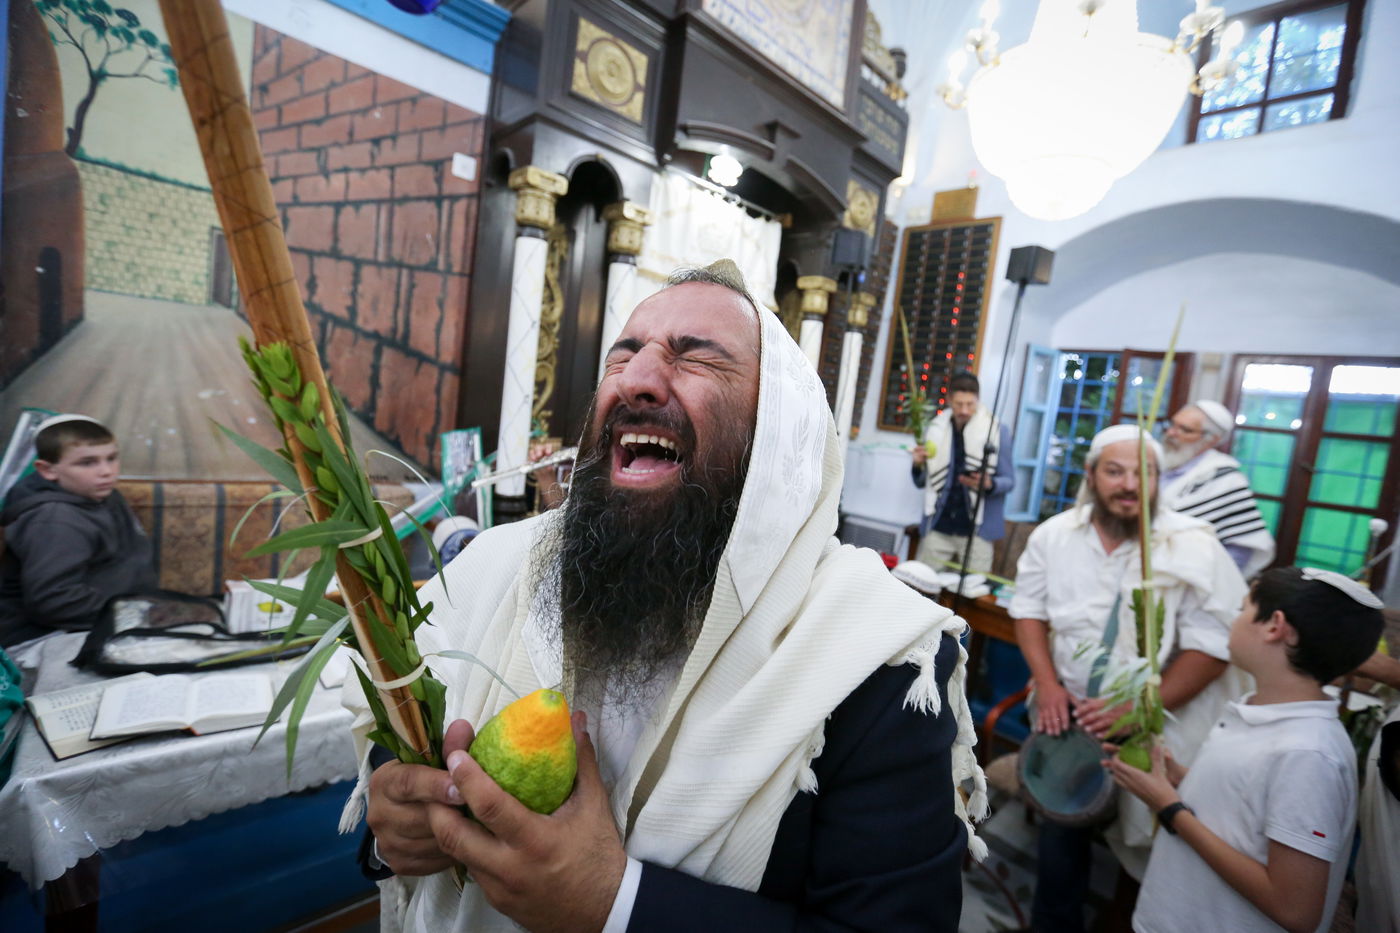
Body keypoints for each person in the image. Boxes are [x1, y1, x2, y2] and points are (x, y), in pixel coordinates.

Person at [352, 263, 985, 932]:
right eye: (623, 354)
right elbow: (400, 761)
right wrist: (392, 823)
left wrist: (615, 903)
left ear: (775, 435)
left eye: (696, 357)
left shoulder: (877, 656)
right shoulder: (490, 571)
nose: (636, 379)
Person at [1009, 424, 1249, 933]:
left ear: (1160, 480)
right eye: (1114, 471)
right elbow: (1028, 609)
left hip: (1154, 718)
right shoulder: (1055, 535)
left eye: (1144, 473)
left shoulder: (1190, 546)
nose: (1129, 485)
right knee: (1063, 827)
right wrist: (1048, 685)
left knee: (1153, 841)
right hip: (1067, 714)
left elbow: (1214, 645)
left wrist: (1143, 705)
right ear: (1091, 475)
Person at [1107, 567, 1383, 933]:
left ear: (1274, 626)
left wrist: (1170, 809)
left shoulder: (1309, 753)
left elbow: (1296, 910)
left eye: (1243, 610)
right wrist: (1176, 778)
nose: (1234, 621)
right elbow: (1247, 814)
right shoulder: (1259, 712)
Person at [0, 415, 155, 647]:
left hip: (104, 620)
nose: (106, 471)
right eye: (87, 462)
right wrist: (136, 615)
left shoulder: (101, 495)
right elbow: (55, 601)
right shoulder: (55, 518)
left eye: (111, 458)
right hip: (42, 640)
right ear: (47, 470)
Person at [909, 372, 1014, 574]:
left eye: (970, 404)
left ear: (978, 400)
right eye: (958, 404)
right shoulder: (936, 428)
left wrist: (989, 484)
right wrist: (918, 465)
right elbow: (922, 481)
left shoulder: (997, 431)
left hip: (977, 530)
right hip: (939, 524)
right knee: (921, 588)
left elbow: (1010, 481)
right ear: (948, 400)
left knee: (972, 594)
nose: (964, 410)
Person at [1160, 400, 1275, 578]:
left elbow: (1241, 548)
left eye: (1185, 430)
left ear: (1211, 439)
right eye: (1172, 425)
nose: (1171, 433)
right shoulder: (1160, 464)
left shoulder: (1227, 480)